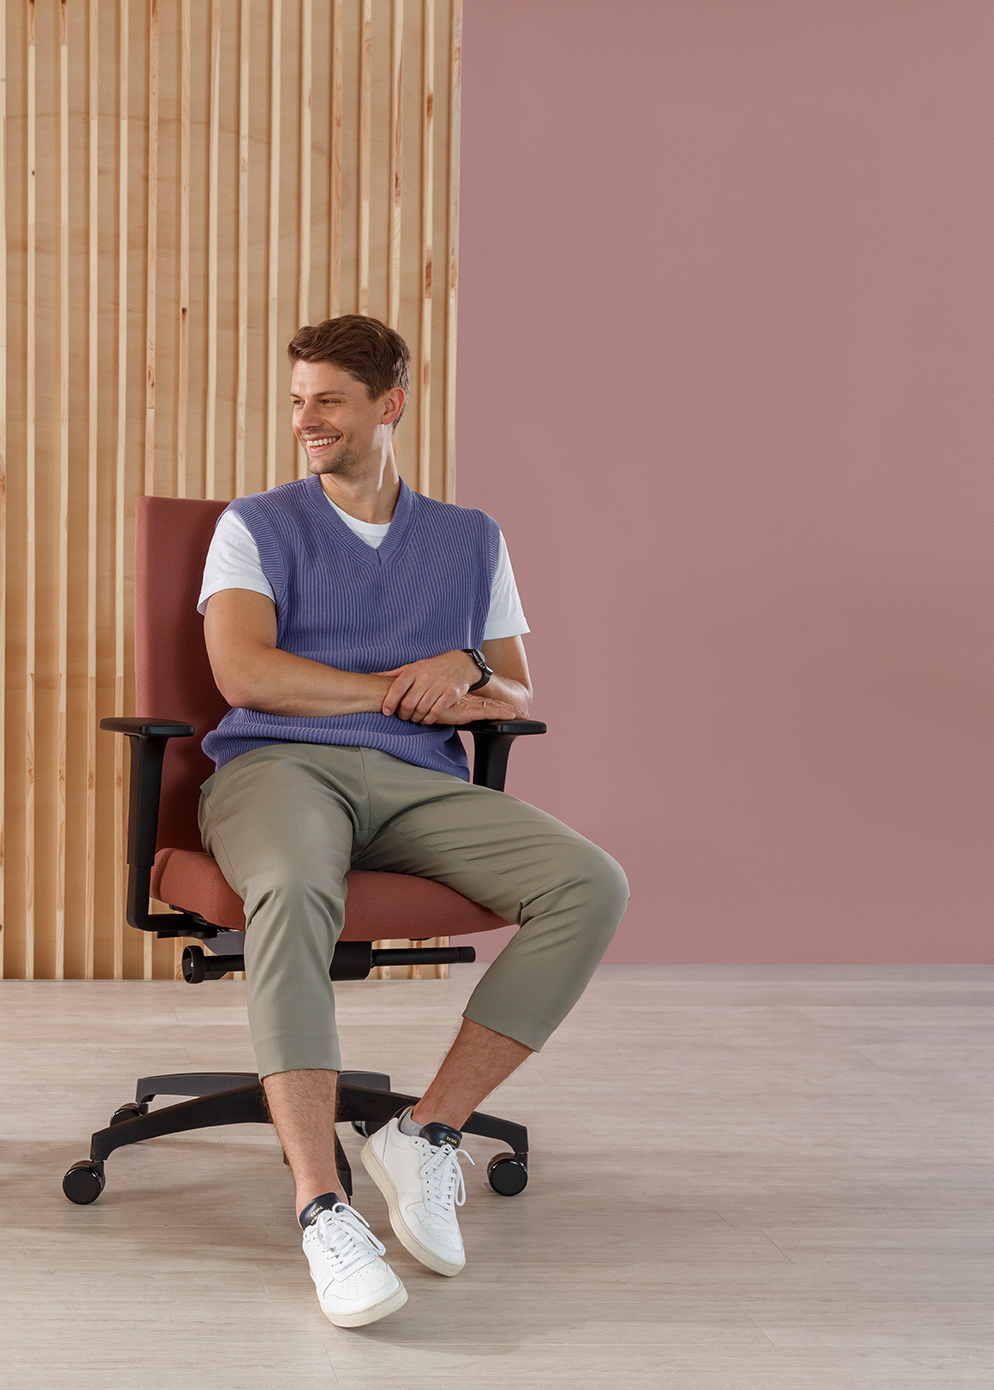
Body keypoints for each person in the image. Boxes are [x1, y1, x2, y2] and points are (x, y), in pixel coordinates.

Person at [198, 315, 629, 1327]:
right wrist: (398, 689)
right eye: (297, 400)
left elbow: (513, 688)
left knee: (589, 883)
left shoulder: (470, 538)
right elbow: (244, 674)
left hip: (416, 781)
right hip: (276, 768)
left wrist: (464, 665)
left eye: (328, 401)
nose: (305, 419)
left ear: (389, 404)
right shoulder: (254, 524)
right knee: (293, 882)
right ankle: (322, 1205)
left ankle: (425, 1131)